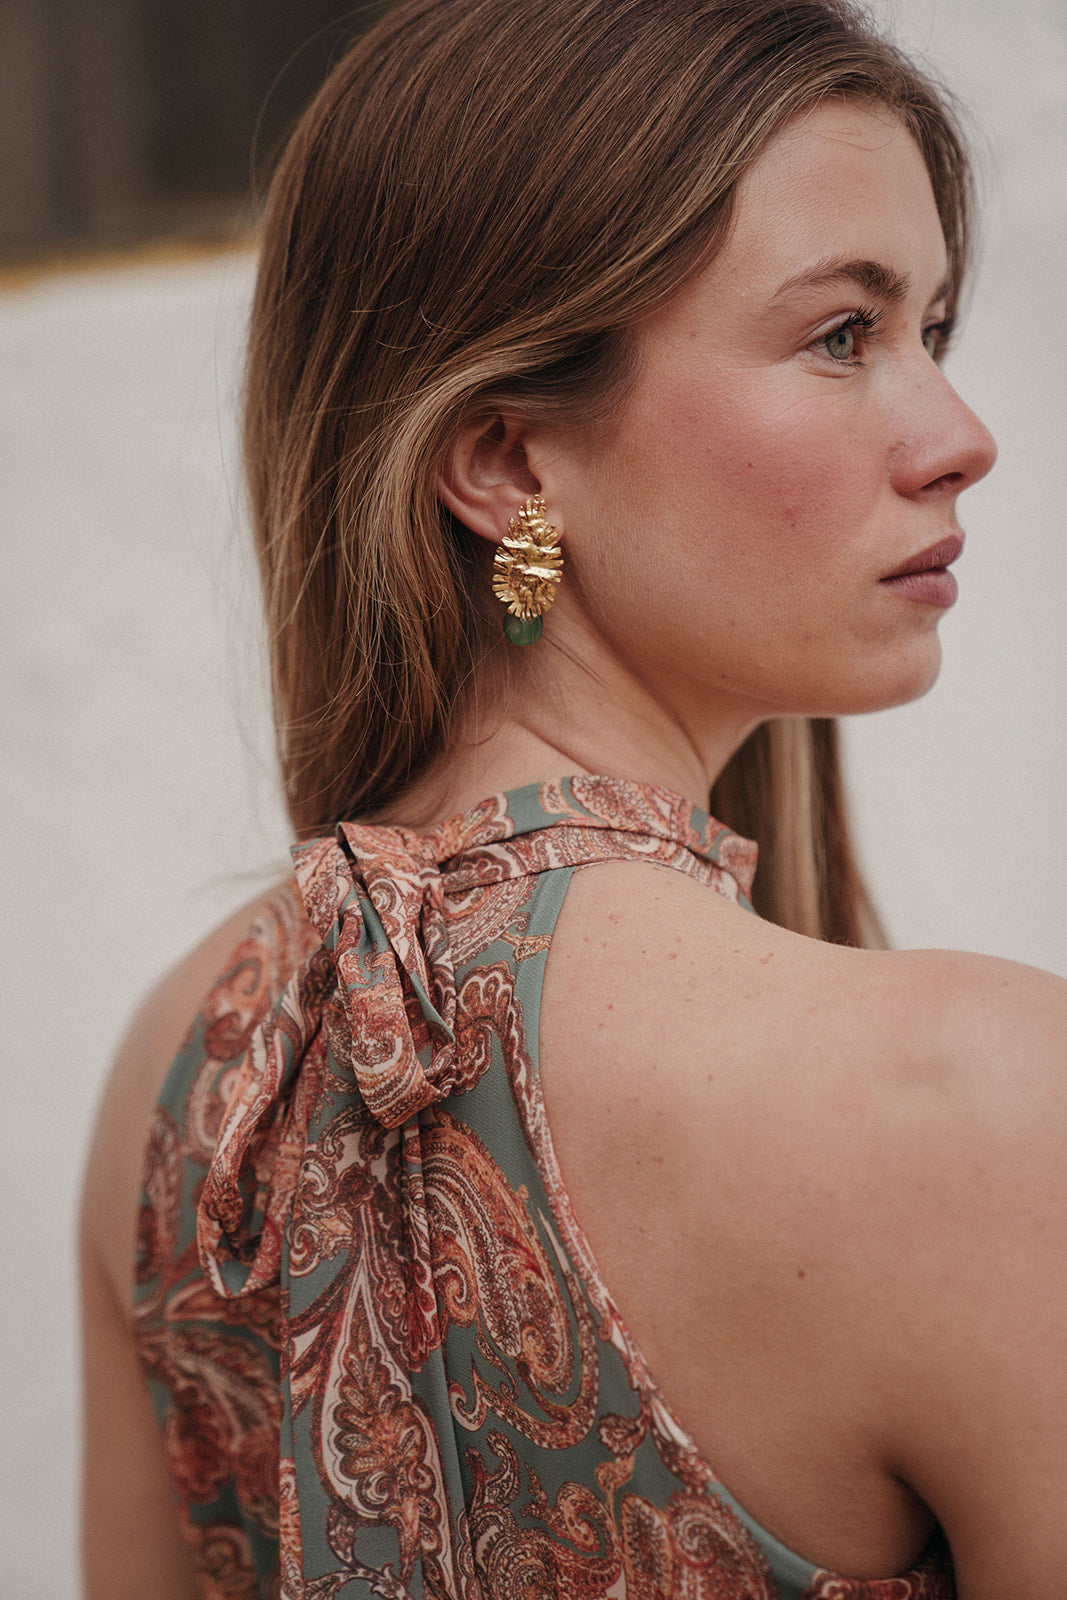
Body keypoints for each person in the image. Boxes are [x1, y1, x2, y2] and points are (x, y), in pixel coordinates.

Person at [79, 1, 1067, 1596]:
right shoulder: (985, 1103)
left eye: (932, 333)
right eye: (842, 334)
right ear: (510, 463)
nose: (962, 438)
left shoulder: (182, 1071)